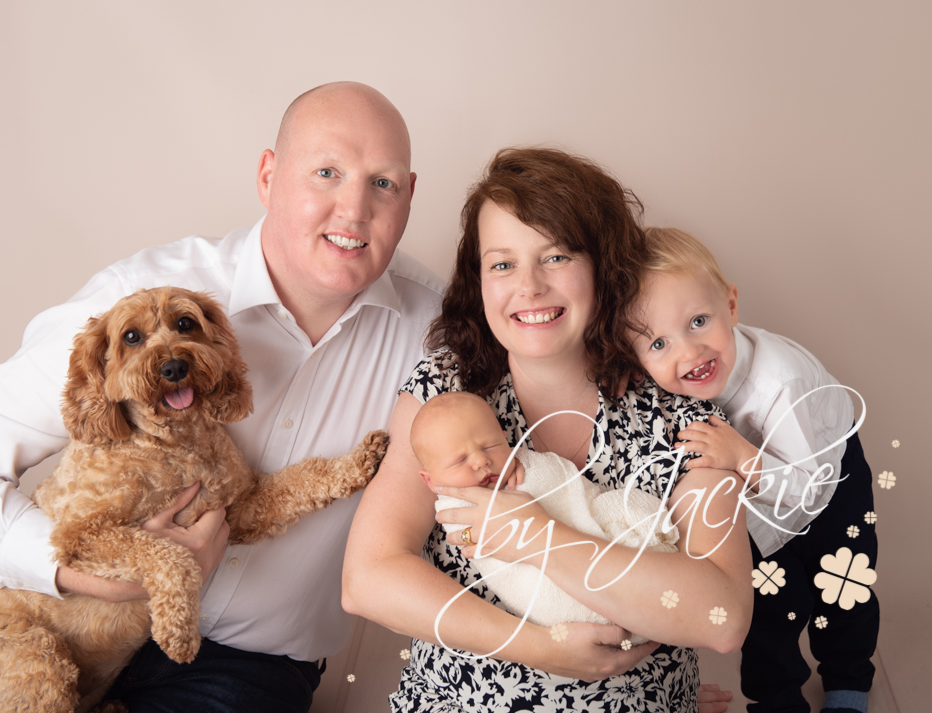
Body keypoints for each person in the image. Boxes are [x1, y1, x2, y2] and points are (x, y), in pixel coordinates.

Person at [0, 82, 445, 712]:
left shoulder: (440, 333)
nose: (354, 209)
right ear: (268, 174)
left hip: (247, 668)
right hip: (47, 629)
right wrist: (72, 571)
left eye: (382, 184)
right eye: (327, 173)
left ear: (410, 196)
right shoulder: (139, 302)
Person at [343, 147, 754, 713]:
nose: (529, 287)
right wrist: (536, 646)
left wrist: (535, 536)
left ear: (605, 266)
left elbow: (724, 616)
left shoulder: (676, 401)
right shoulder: (449, 385)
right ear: (479, 279)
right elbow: (368, 577)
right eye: (503, 263)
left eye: (556, 256)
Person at [629, 227, 879, 713]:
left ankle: (848, 684)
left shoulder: (779, 382)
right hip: (757, 504)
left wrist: (743, 457)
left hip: (826, 478)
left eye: (699, 320)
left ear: (732, 305)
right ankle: (777, 698)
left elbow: (810, 488)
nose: (689, 352)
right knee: (764, 609)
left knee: (843, 587)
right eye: (658, 343)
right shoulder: (666, 387)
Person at [411, 390, 678, 641]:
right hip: (551, 605)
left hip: (613, 560)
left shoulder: (520, 465)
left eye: (491, 446)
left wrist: (524, 464)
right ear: (430, 481)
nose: (481, 461)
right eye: (459, 461)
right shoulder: (454, 511)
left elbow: (563, 491)